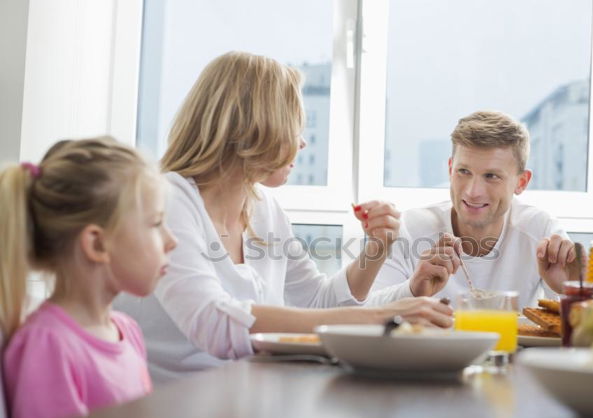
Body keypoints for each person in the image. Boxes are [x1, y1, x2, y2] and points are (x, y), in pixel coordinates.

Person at [115, 51, 452, 383]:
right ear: (255, 127)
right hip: (167, 411)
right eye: (295, 127)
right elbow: (214, 325)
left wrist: (376, 249)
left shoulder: (263, 209)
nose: (302, 143)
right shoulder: (167, 200)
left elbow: (317, 306)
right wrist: (384, 317)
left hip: (240, 400)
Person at [0, 137, 177, 418]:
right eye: (156, 223)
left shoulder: (127, 331)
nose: (172, 241)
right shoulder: (48, 345)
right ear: (97, 243)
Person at [366, 111, 579, 308]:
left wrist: (568, 291)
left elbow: (590, 331)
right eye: (464, 171)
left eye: (491, 176)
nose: (472, 192)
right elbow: (361, 312)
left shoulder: (541, 231)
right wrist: (412, 289)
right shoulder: (410, 229)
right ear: (450, 170)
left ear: (521, 182)